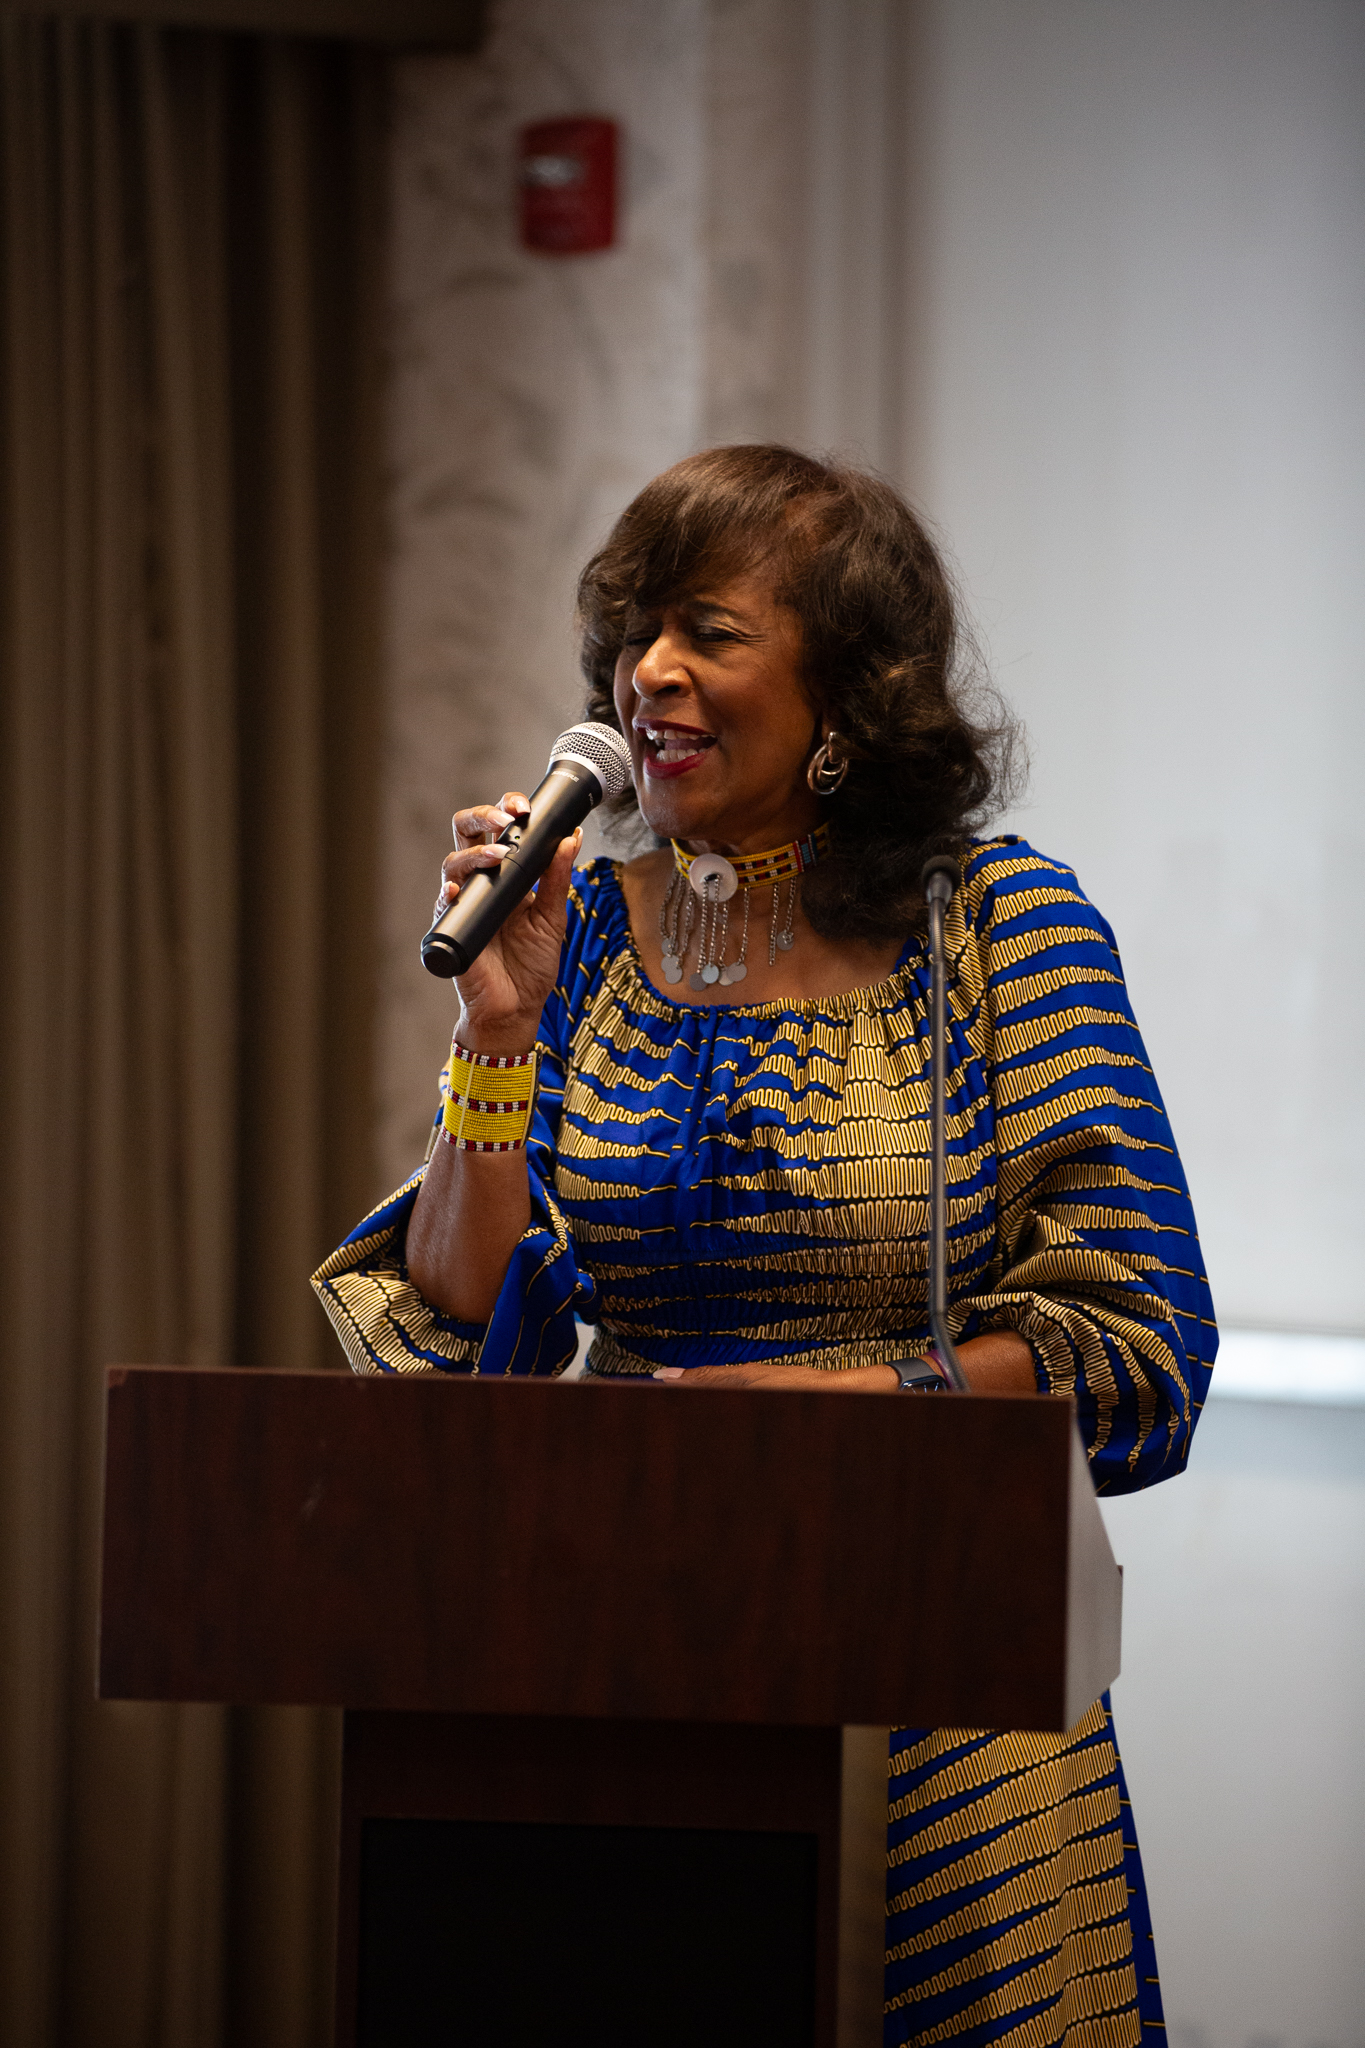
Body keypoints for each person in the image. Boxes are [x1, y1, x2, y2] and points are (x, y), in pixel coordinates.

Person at [314, 444, 1216, 2044]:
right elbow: (456, 1330)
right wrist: (497, 1029)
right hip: (629, 1672)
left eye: (707, 632)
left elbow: (1133, 1338)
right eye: (633, 632)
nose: (646, 672)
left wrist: (820, 1419)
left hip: (944, 1695)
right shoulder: (583, 936)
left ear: (849, 696)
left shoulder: (998, 928)